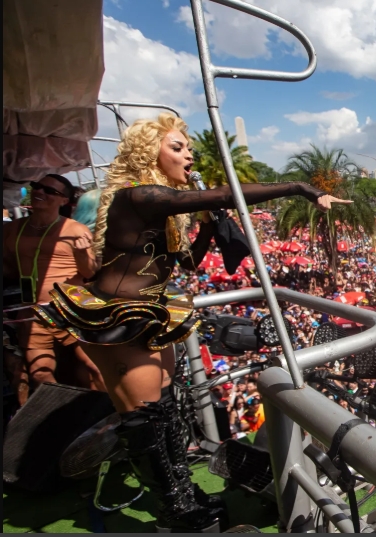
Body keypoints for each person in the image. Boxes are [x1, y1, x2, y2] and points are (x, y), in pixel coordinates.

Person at [31, 114, 349, 532]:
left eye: (187, 148)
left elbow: (189, 264)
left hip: (147, 312)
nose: (188, 155)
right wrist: (299, 187)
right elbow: (223, 194)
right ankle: (175, 507)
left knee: (166, 411)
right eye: (176, 147)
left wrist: (206, 231)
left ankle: (181, 490)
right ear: (149, 154)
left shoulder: (161, 208)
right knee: (145, 419)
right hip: (119, 318)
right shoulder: (139, 195)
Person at [3, 174, 105, 401]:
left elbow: (89, 272)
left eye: (50, 191)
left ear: (64, 201)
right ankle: (65, 427)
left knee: (97, 369)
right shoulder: (12, 230)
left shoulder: (76, 230)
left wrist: (81, 253)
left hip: (74, 305)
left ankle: (116, 425)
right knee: (40, 376)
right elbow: (9, 268)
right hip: (33, 311)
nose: (40, 192)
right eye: (37, 187)